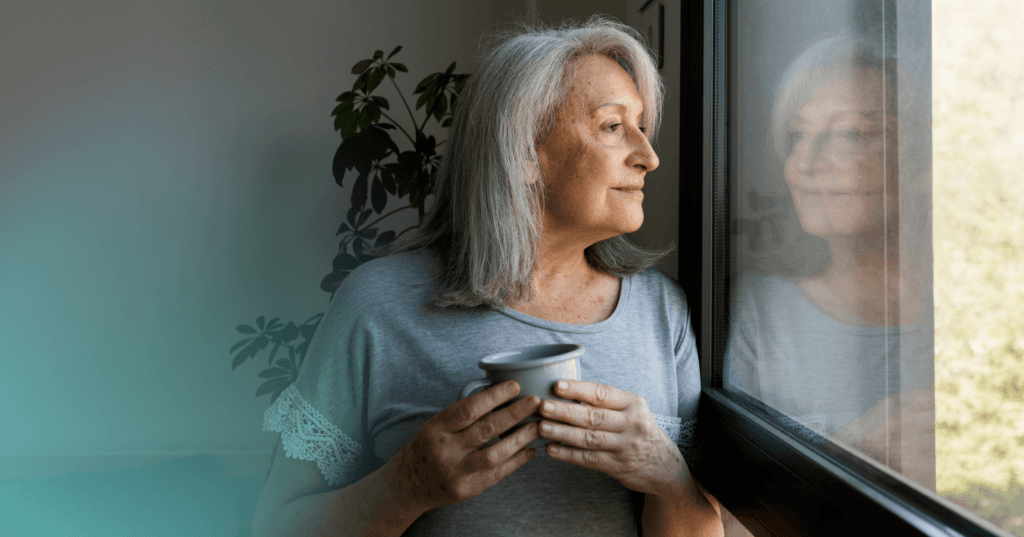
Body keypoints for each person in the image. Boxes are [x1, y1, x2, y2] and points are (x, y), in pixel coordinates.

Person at [252, 15, 723, 537]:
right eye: (613, 127)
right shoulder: (375, 307)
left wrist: (669, 479)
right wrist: (406, 485)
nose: (649, 157)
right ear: (523, 153)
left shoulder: (663, 313)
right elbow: (274, 526)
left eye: (642, 127)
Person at [723, 34, 935, 488]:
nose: (805, 163)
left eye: (851, 134)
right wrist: (858, 450)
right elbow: (726, 515)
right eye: (797, 135)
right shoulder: (757, 313)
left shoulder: (988, 312)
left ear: (921, 162)